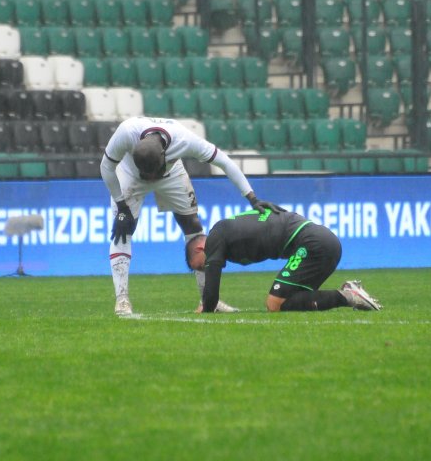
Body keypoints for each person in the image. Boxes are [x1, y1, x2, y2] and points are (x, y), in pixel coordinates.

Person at [100, 116, 283, 316]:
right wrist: (121, 205)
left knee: (194, 227)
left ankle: (208, 300)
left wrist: (252, 198)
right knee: (122, 231)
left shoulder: (184, 139)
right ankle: (122, 299)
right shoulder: (126, 132)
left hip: (170, 174)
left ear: (164, 153)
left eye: (153, 173)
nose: (150, 179)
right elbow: (106, 167)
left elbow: (223, 161)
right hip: (130, 175)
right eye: (148, 174)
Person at [186, 207, 381, 313]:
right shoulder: (230, 228)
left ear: (200, 248)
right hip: (323, 242)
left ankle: (348, 295)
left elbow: (212, 290)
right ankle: (348, 297)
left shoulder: (215, 236)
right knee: (289, 302)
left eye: (201, 265)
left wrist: (207, 308)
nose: (207, 267)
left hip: (311, 243)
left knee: (274, 304)